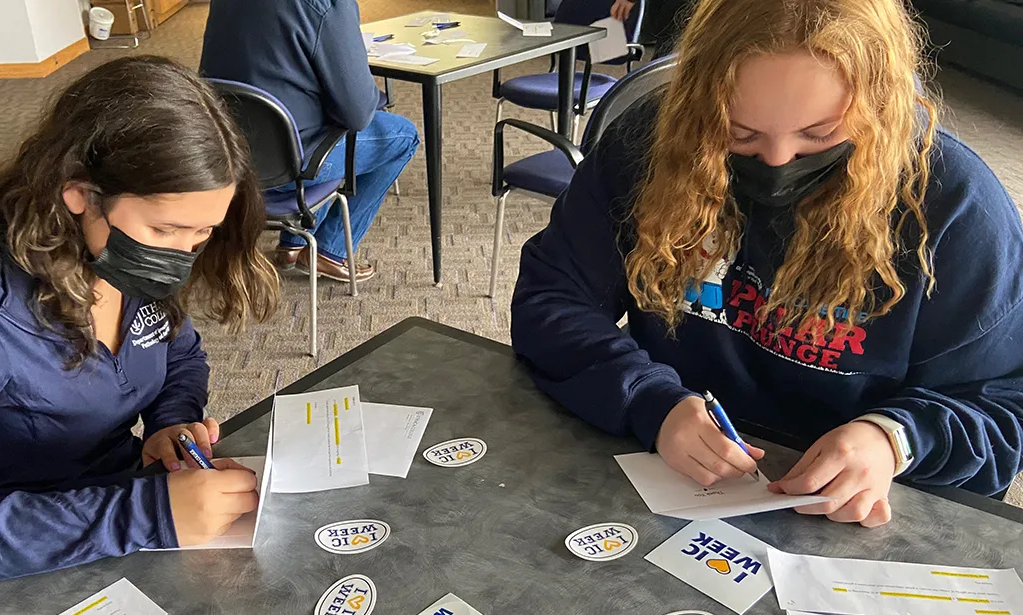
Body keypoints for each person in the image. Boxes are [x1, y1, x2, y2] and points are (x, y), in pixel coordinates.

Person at [511, 0, 1023, 527]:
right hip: (675, 480)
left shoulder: (953, 203)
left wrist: (894, 439)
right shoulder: (652, 144)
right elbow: (552, 296)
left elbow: (1003, 410)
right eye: (740, 134)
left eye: (820, 135)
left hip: (858, 514)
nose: (777, 163)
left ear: (879, 103)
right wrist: (649, 400)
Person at [0, 57, 278, 601]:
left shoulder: (120, 254)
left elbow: (177, 354)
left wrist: (172, 422)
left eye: (201, 234)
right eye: (166, 229)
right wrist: (145, 513)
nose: (181, 258)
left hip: (108, 517)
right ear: (80, 194)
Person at [199, 0, 420, 284]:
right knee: (402, 135)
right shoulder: (327, 5)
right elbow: (357, 113)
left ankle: (293, 245)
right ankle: (331, 250)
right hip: (293, 166)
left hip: (227, 157)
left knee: (312, 119)